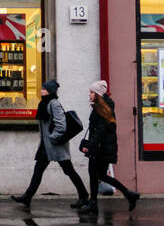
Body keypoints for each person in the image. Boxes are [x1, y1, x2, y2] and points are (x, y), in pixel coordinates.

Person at [11, 79, 89, 209]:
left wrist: (52, 138)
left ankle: (84, 196)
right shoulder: (45, 103)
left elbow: (61, 125)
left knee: (69, 170)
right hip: (46, 146)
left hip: (55, 145)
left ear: (50, 91)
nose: (41, 90)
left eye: (44, 89)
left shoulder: (54, 104)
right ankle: (27, 196)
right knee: (38, 170)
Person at [77, 80, 139, 215]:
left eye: (92, 92)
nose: (89, 94)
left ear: (98, 94)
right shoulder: (101, 106)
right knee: (98, 175)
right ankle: (127, 195)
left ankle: (95, 203)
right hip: (102, 147)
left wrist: (90, 145)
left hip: (101, 148)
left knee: (96, 175)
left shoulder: (102, 108)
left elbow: (100, 130)